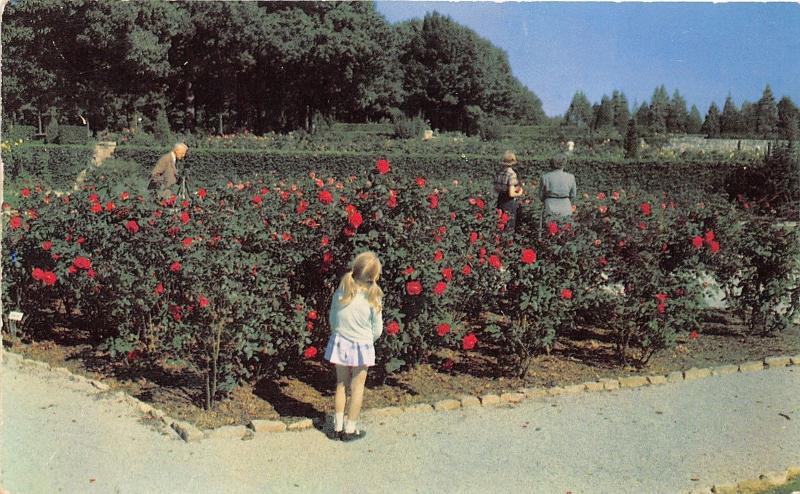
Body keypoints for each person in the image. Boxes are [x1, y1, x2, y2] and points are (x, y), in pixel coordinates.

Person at [324, 251, 384, 442]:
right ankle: (350, 429)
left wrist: (337, 333)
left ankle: (337, 427)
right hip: (362, 346)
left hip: (341, 341)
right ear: (374, 277)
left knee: (341, 384)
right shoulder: (373, 298)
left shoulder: (341, 292)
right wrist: (368, 340)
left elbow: (333, 318)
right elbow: (378, 329)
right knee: (357, 388)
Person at [539, 153, 577, 234]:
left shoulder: (545, 177)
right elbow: (573, 195)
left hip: (550, 205)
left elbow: (541, 195)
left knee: (550, 231)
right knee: (566, 231)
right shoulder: (571, 177)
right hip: (565, 205)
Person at [493, 150, 525, 232]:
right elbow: (511, 193)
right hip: (508, 202)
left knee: (500, 224)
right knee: (509, 225)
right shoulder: (511, 174)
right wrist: (520, 191)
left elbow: (496, 188)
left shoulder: (499, 172)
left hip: (500, 199)